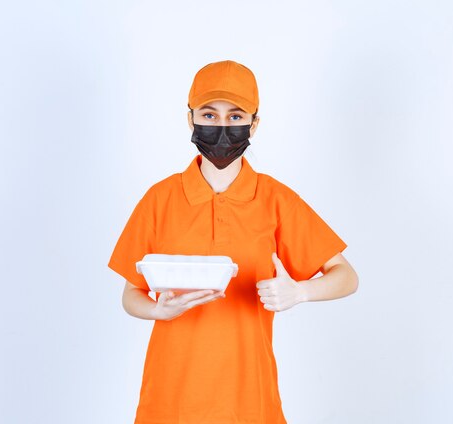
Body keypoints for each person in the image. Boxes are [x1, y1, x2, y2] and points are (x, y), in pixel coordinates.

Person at [108, 60, 359, 424]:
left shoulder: (275, 200)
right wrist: (156, 310)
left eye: (236, 115)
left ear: (254, 123)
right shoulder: (159, 200)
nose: (222, 126)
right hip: (170, 401)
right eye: (209, 115)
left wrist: (300, 291)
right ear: (190, 118)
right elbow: (131, 294)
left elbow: (346, 276)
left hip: (249, 402)